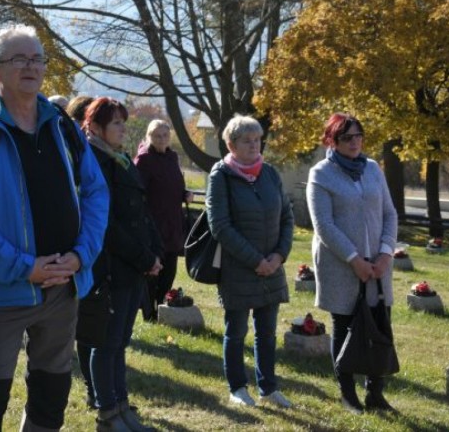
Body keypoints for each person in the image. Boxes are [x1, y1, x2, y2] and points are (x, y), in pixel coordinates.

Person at [0, 24, 109, 432]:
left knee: (50, 402)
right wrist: (24, 267)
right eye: (18, 59)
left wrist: (80, 255)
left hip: (63, 287)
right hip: (1, 291)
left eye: (36, 58)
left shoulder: (64, 129)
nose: (30, 66)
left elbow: (96, 193)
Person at [306, 112, 398, 414]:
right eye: (347, 137)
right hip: (340, 266)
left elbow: (389, 213)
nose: (355, 142)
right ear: (331, 140)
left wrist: (385, 253)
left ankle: (376, 393)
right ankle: (348, 394)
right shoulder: (321, 174)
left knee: (380, 324)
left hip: (378, 267)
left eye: (359, 135)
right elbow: (324, 225)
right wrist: (354, 260)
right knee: (344, 325)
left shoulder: (372, 168)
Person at [81, 97, 163, 432]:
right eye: (116, 123)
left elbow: (141, 213)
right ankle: (107, 413)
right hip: (111, 266)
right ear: (96, 127)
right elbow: (108, 224)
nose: (122, 128)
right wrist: (144, 258)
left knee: (121, 342)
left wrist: (155, 253)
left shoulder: (123, 159)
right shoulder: (94, 161)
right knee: (106, 342)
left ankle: (122, 405)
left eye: (122, 122)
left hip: (134, 267)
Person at [206, 114, 294, 409]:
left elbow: (286, 217)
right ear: (230, 144)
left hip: (272, 266)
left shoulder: (269, 173)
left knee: (267, 333)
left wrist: (278, 256)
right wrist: (256, 260)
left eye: (257, 139)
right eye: (247, 140)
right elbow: (220, 225)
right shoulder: (221, 176)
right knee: (237, 330)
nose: (254, 145)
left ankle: (268, 387)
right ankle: (238, 387)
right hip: (239, 269)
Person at [134, 119, 193, 321]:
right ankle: (148, 314)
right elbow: (136, 192)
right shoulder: (143, 160)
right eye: (157, 135)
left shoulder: (172, 157)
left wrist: (185, 193)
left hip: (173, 223)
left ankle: (161, 309)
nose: (161, 139)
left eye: (165, 135)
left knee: (169, 271)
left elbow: (175, 184)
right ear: (149, 137)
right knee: (152, 272)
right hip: (153, 224)